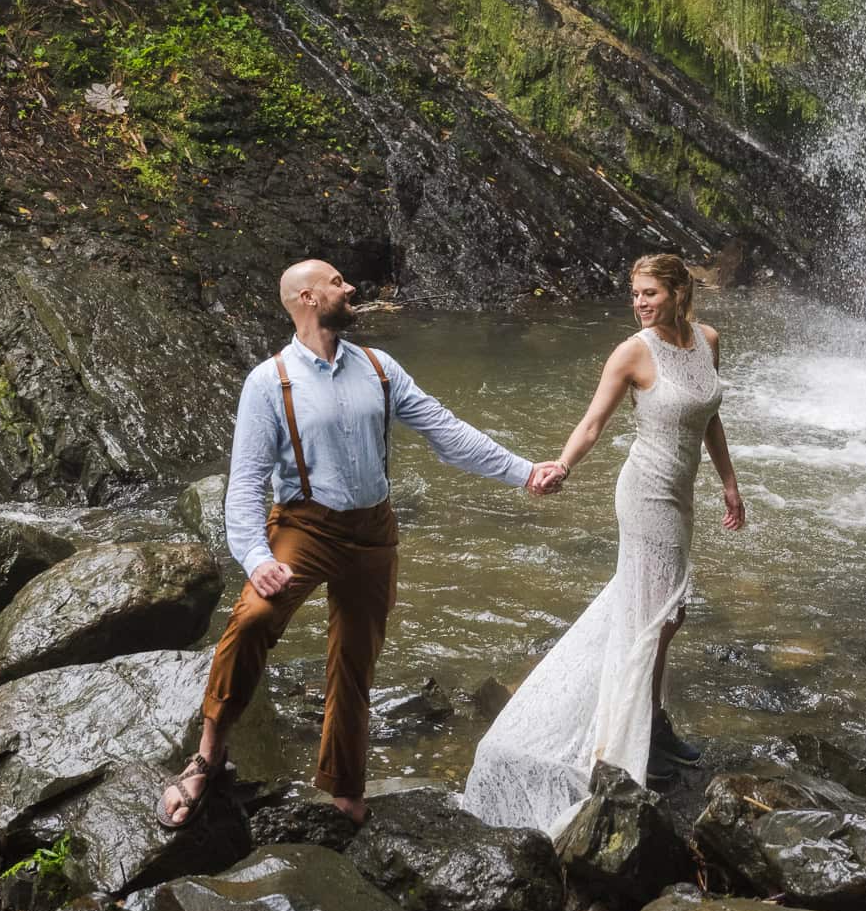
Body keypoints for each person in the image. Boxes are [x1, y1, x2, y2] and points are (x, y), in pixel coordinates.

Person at [158, 258, 566, 830]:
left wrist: (523, 471)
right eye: (337, 283)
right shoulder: (268, 382)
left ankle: (345, 789)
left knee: (354, 661)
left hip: (373, 530)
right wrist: (256, 558)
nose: (350, 288)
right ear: (306, 298)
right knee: (252, 618)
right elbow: (246, 482)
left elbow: (446, 432)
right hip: (304, 527)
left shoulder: (379, 367)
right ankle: (208, 754)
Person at [464, 252, 745, 832]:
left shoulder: (708, 340)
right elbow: (593, 421)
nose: (639, 303)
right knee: (659, 610)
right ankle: (636, 735)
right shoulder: (633, 352)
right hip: (644, 491)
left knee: (667, 611)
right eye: (634, 294)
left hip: (683, 492)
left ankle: (653, 721)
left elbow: (709, 415)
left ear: (677, 291)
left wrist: (729, 483)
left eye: (649, 293)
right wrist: (562, 466)